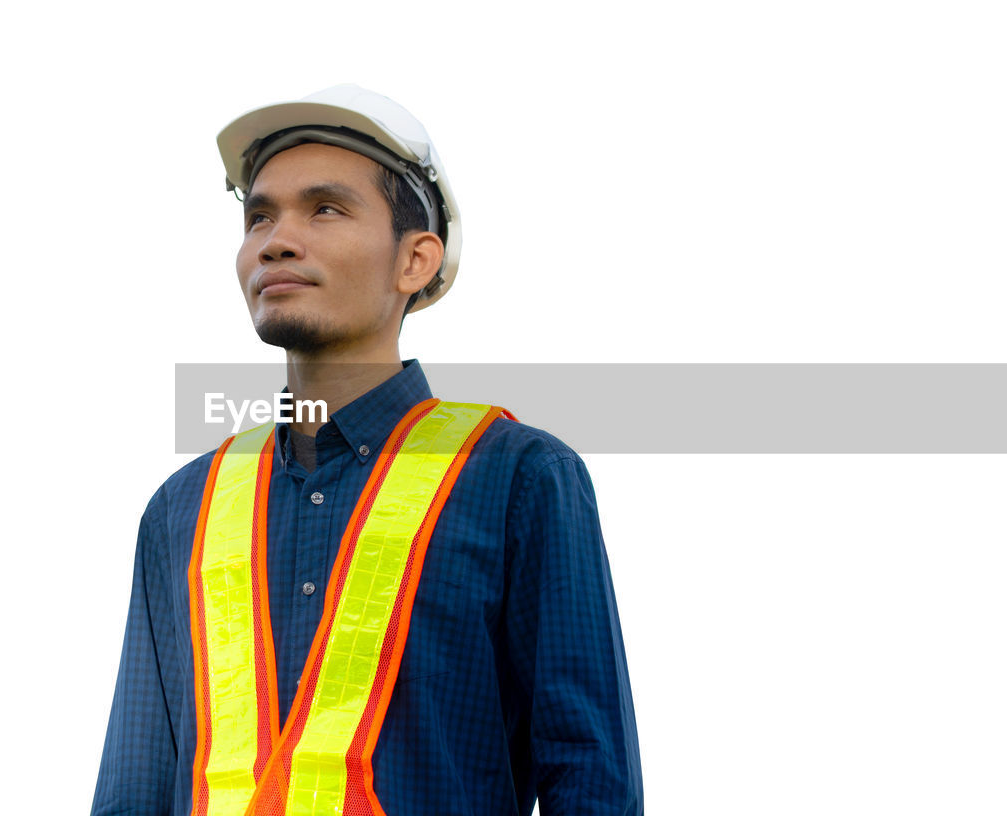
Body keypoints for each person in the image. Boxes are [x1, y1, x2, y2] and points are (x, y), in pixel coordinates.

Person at [90, 84, 643, 816]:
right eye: (259, 215)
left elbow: (591, 778)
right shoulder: (182, 508)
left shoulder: (518, 477)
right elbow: (135, 786)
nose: (275, 239)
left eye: (325, 208)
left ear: (414, 261)